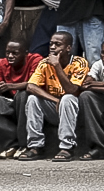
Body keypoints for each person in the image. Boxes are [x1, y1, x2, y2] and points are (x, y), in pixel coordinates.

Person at [15, 28, 92, 159]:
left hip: (74, 111)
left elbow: (72, 90)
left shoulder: (79, 63)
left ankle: (67, 147)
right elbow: (31, 86)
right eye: (51, 44)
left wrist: (57, 66)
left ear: (68, 48)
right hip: (55, 106)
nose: (52, 47)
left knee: (68, 98)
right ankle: (35, 147)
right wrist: (56, 101)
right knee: (33, 99)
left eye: (58, 44)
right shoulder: (45, 63)